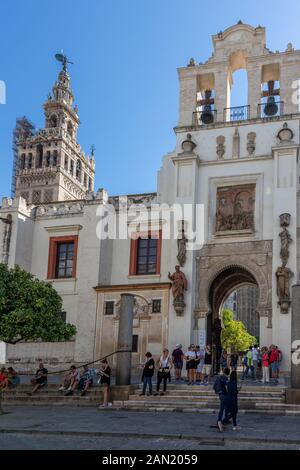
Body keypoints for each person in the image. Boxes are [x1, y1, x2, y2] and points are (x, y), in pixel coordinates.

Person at [213, 367, 230, 432]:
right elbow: (226, 387)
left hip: (220, 393)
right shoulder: (225, 378)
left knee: (225, 407)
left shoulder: (220, 377)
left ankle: (224, 420)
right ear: (228, 373)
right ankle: (219, 421)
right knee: (222, 408)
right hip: (224, 394)